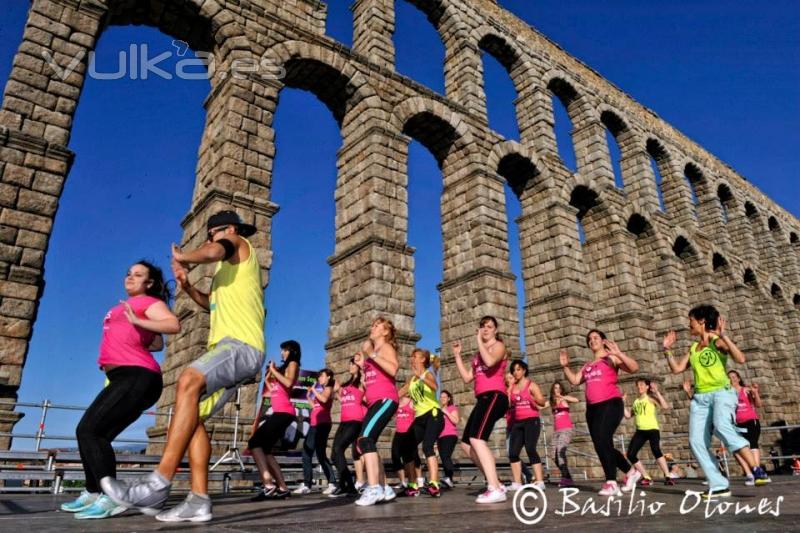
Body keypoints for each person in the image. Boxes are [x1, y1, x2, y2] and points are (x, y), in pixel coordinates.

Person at [102, 210, 265, 522]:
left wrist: (185, 256)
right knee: (190, 417)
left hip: (241, 345)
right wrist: (188, 286)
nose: (210, 240)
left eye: (212, 234)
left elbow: (217, 249)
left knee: (188, 379)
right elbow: (211, 303)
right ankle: (198, 499)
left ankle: (158, 482)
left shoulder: (239, 243)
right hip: (224, 350)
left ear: (229, 229)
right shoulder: (224, 274)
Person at [61, 261, 179, 520]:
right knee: (94, 434)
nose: (130, 277)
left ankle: (111, 497)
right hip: (125, 377)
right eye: (128, 273)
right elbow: (156, 343)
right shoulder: (123, 306)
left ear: (148, 283)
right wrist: (139, 327)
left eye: (138, 275)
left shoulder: (148, 302)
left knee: (88, 430)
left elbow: (172, 325)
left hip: (137, 376)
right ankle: (94, 492)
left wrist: (138, 319)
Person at [663, 304, 770, 499]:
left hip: (721, 393)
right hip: (700, 399)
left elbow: (740, 359)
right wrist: (666, 349)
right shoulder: (694, 347)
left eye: (691, 320)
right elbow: (677, 369)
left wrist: (724, 336)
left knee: (722, 426)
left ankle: (756, 468)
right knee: (696, 442)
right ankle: (719, 484)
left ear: (702, 321)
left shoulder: (717, 342)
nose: (689, 324)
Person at [560, 329, 639, 497]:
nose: (592, 340)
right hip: (592, 409)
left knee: (603, 439)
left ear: (603, 341)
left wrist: (619, 353)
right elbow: (575, 380)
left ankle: (611, 482)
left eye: (596, 337)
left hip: (611, 404)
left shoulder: (611, 358)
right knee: (601, 444)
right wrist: (565, 367)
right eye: (589, 339)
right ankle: (630, 471)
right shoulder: (588, 365)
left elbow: (634, 368)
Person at [454, 316, 509, 504]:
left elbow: (491, 362)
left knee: (477, 438)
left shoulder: (499, 346)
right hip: (482, 399)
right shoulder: (477, 356)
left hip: (495, 396)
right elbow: (467, 378)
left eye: (489, 327)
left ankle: (494, 488)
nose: (485, 330)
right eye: (482, 327)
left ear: (495, 330)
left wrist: (479, 341)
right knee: (466, 444)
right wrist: (457, 356)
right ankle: (497, 483)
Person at [353, 318, 400, 506]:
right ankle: (384, 487)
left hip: (386, 399)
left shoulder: (386, 347)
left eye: (377, 326)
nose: (372, 327)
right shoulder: (372, 354)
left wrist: (371, 353)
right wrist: (362, 366)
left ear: (385, 332)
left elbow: (393, 369)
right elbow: (372, 379)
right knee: (364, 443)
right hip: (374, 402)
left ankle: (374, 488)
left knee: (365, 439)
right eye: (371, 324)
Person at [248, 340, 301, 501]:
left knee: (254, 443)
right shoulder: (283, 369)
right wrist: (268, 376)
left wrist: (273, 370)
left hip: (284, 412)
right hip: (280, 412)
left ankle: (268, 485)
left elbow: (289, 382)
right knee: (266, 450)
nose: (282, 353)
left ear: (292, 351)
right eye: (282, 350)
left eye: (284, 350)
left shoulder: (293, 364)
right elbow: (275, 390)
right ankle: (283, 488)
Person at [400, 349, 444, 498]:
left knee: (427, 446)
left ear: (423, 360)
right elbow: (399, 393)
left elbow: (435, 387)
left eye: (415, 356)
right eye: (411, 356)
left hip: (433, 414)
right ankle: (412, 485)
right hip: (419, 418)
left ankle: (433, 483)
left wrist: (421, 377)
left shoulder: (427, 373)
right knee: (406, 447)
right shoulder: (411, 379)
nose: (411, 358)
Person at [622, 379, 674, 488]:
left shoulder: (650, 398)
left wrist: (657, 392)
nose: (639, 387)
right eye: (637, 385)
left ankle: (668, 476)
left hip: (652, 429)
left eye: (641, 385)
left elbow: (665, 406)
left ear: (647, 387)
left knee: (656, 450)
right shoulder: (636, 401)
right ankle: (646, 477)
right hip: (640, 431)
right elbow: (627, 415)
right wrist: (622, 402)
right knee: (631, 454)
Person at [329, 352, 367, 497]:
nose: (350, 366)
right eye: (350, 363)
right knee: (334, 454)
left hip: (355, 420)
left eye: (353, 364)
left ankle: (345, 485)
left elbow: (367, 398)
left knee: (339, 448)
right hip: (344, 421)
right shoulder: (347, 383)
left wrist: (364, 381)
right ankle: (347, 486)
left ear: (358, 366)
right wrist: (337, 391)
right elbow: (342, 399)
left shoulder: (361, 382)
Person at [295, 369, 337, 494]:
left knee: (314, 453)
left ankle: (327, 483)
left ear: (328, 377)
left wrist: (313, 390)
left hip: (322, 425)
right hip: (315, 425)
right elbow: (315, 407)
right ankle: (319, 483)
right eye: (319, 377)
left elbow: (324, 400)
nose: (319, 378)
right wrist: (308, 397)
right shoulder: (323, 390)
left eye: (322, 376)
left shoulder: (328, 389)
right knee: (313, 453)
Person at [506, 360, 546, 491]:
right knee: (513, 453)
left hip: (532, 421)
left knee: (530, 448)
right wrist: (508, 391)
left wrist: (532, 398)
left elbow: (542, 401)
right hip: (518, 422)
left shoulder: (531, 385)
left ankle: (540, 481)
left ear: (524, 370)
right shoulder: (512, 387)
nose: (516, 372)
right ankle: (517, 483)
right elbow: (509, 405)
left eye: (518, 369)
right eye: (514, 370)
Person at [728, 370, 763, 486]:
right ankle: (749, 474)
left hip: (751, 421)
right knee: (737, 449)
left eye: (734, 377)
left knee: (753, 444)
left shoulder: (746, 390)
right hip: (737, 424)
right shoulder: (727, 393)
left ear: (738, 378)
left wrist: (756, 393)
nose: (732, 379)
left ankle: (758, 474)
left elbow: (758, 404)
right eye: (729, 377)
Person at [547, 381, 579, 487]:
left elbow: (576, 400)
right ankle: (567, 476)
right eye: (555, 388)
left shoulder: (564, 399)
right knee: (553, 454)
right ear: (553, 390)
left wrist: (562, 396)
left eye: (559, 388)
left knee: (560, 450)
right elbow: (540, 406)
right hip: (556, 431)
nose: (557, 390)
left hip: (566, 429)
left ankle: (565, 478)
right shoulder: (551, 402)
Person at [391, 395, 420, 495]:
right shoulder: (398, 402)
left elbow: (418, 415)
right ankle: (403, 482)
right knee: (395, 455)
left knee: (411, 457)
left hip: (409, 432)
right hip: (399, 432)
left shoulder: (412, 401)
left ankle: (415, 483)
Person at [437, 390, 460, 489]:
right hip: (440, 437)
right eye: (441, 397)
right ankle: (448, 479)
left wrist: (446, 412)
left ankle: (449, 478)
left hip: (450, 435)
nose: (442, 398)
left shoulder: (452, 408)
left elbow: (456, 420)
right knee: (443, 457)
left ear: (449, 398)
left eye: (444, 397)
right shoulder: (438, 410)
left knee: (445, 456)